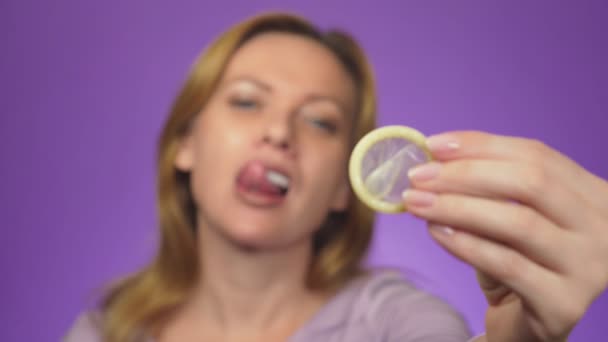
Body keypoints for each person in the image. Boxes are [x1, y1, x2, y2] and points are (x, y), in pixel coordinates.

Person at [65, 12, 608, 342]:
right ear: (186, 144)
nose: (279, 132)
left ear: (345, 188)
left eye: (320, 120)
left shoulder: (396, 319)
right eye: (247, 101)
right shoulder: (107, 330)